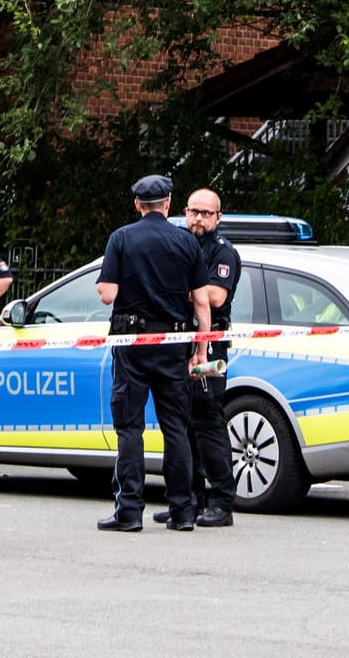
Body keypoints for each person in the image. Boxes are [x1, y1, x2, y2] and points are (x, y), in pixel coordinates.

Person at [95, 175, 211, 533]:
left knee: (130, 427)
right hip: (174, 340)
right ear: (169, 203)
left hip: (131, 342)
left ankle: (129, 511)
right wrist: (201, 349)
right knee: (175, 427)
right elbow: (202, 302)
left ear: (137, 205)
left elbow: (107, 295)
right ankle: (182, 511)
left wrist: (110, 281)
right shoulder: (187, 242)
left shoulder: (122, 238)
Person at [154, 187, 241, 528]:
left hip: (209, 345)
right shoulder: (179, 243)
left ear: (218, 218)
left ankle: (222, 501)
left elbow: (216, 298)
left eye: (206, 213)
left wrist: (175, 288)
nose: (199, 219)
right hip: (179, 343)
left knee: (208, 422)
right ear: (184, 212)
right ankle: (189, 500)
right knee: (182, 424)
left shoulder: (223, 252)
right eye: (194, 212)